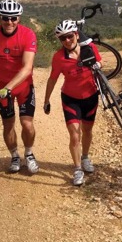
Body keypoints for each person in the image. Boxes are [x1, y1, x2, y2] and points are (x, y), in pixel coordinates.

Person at [0, 0, 39, 174]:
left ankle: (29, 154)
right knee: (8, 124)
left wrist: (9, 87)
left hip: (23, 87)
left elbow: (27, 68)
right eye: (5, 18)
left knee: (27, 124)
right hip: (0, 88)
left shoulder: (28, 35)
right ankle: (14, 156)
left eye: (13, 18)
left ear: (19, 18)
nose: (9, 22)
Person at [42, 20, 102, 186]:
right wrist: (46, 100)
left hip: (91, 96)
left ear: (76, 35)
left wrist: (98, 64)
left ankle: (85, 158)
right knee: (75, 135)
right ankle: (77, 169)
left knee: (87, 131)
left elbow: (100, 61)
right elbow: (52, 79)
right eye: (63, 38)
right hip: (70, 98)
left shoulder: (89, 49)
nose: (67, 40)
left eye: (69, 36)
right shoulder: (59, 57)